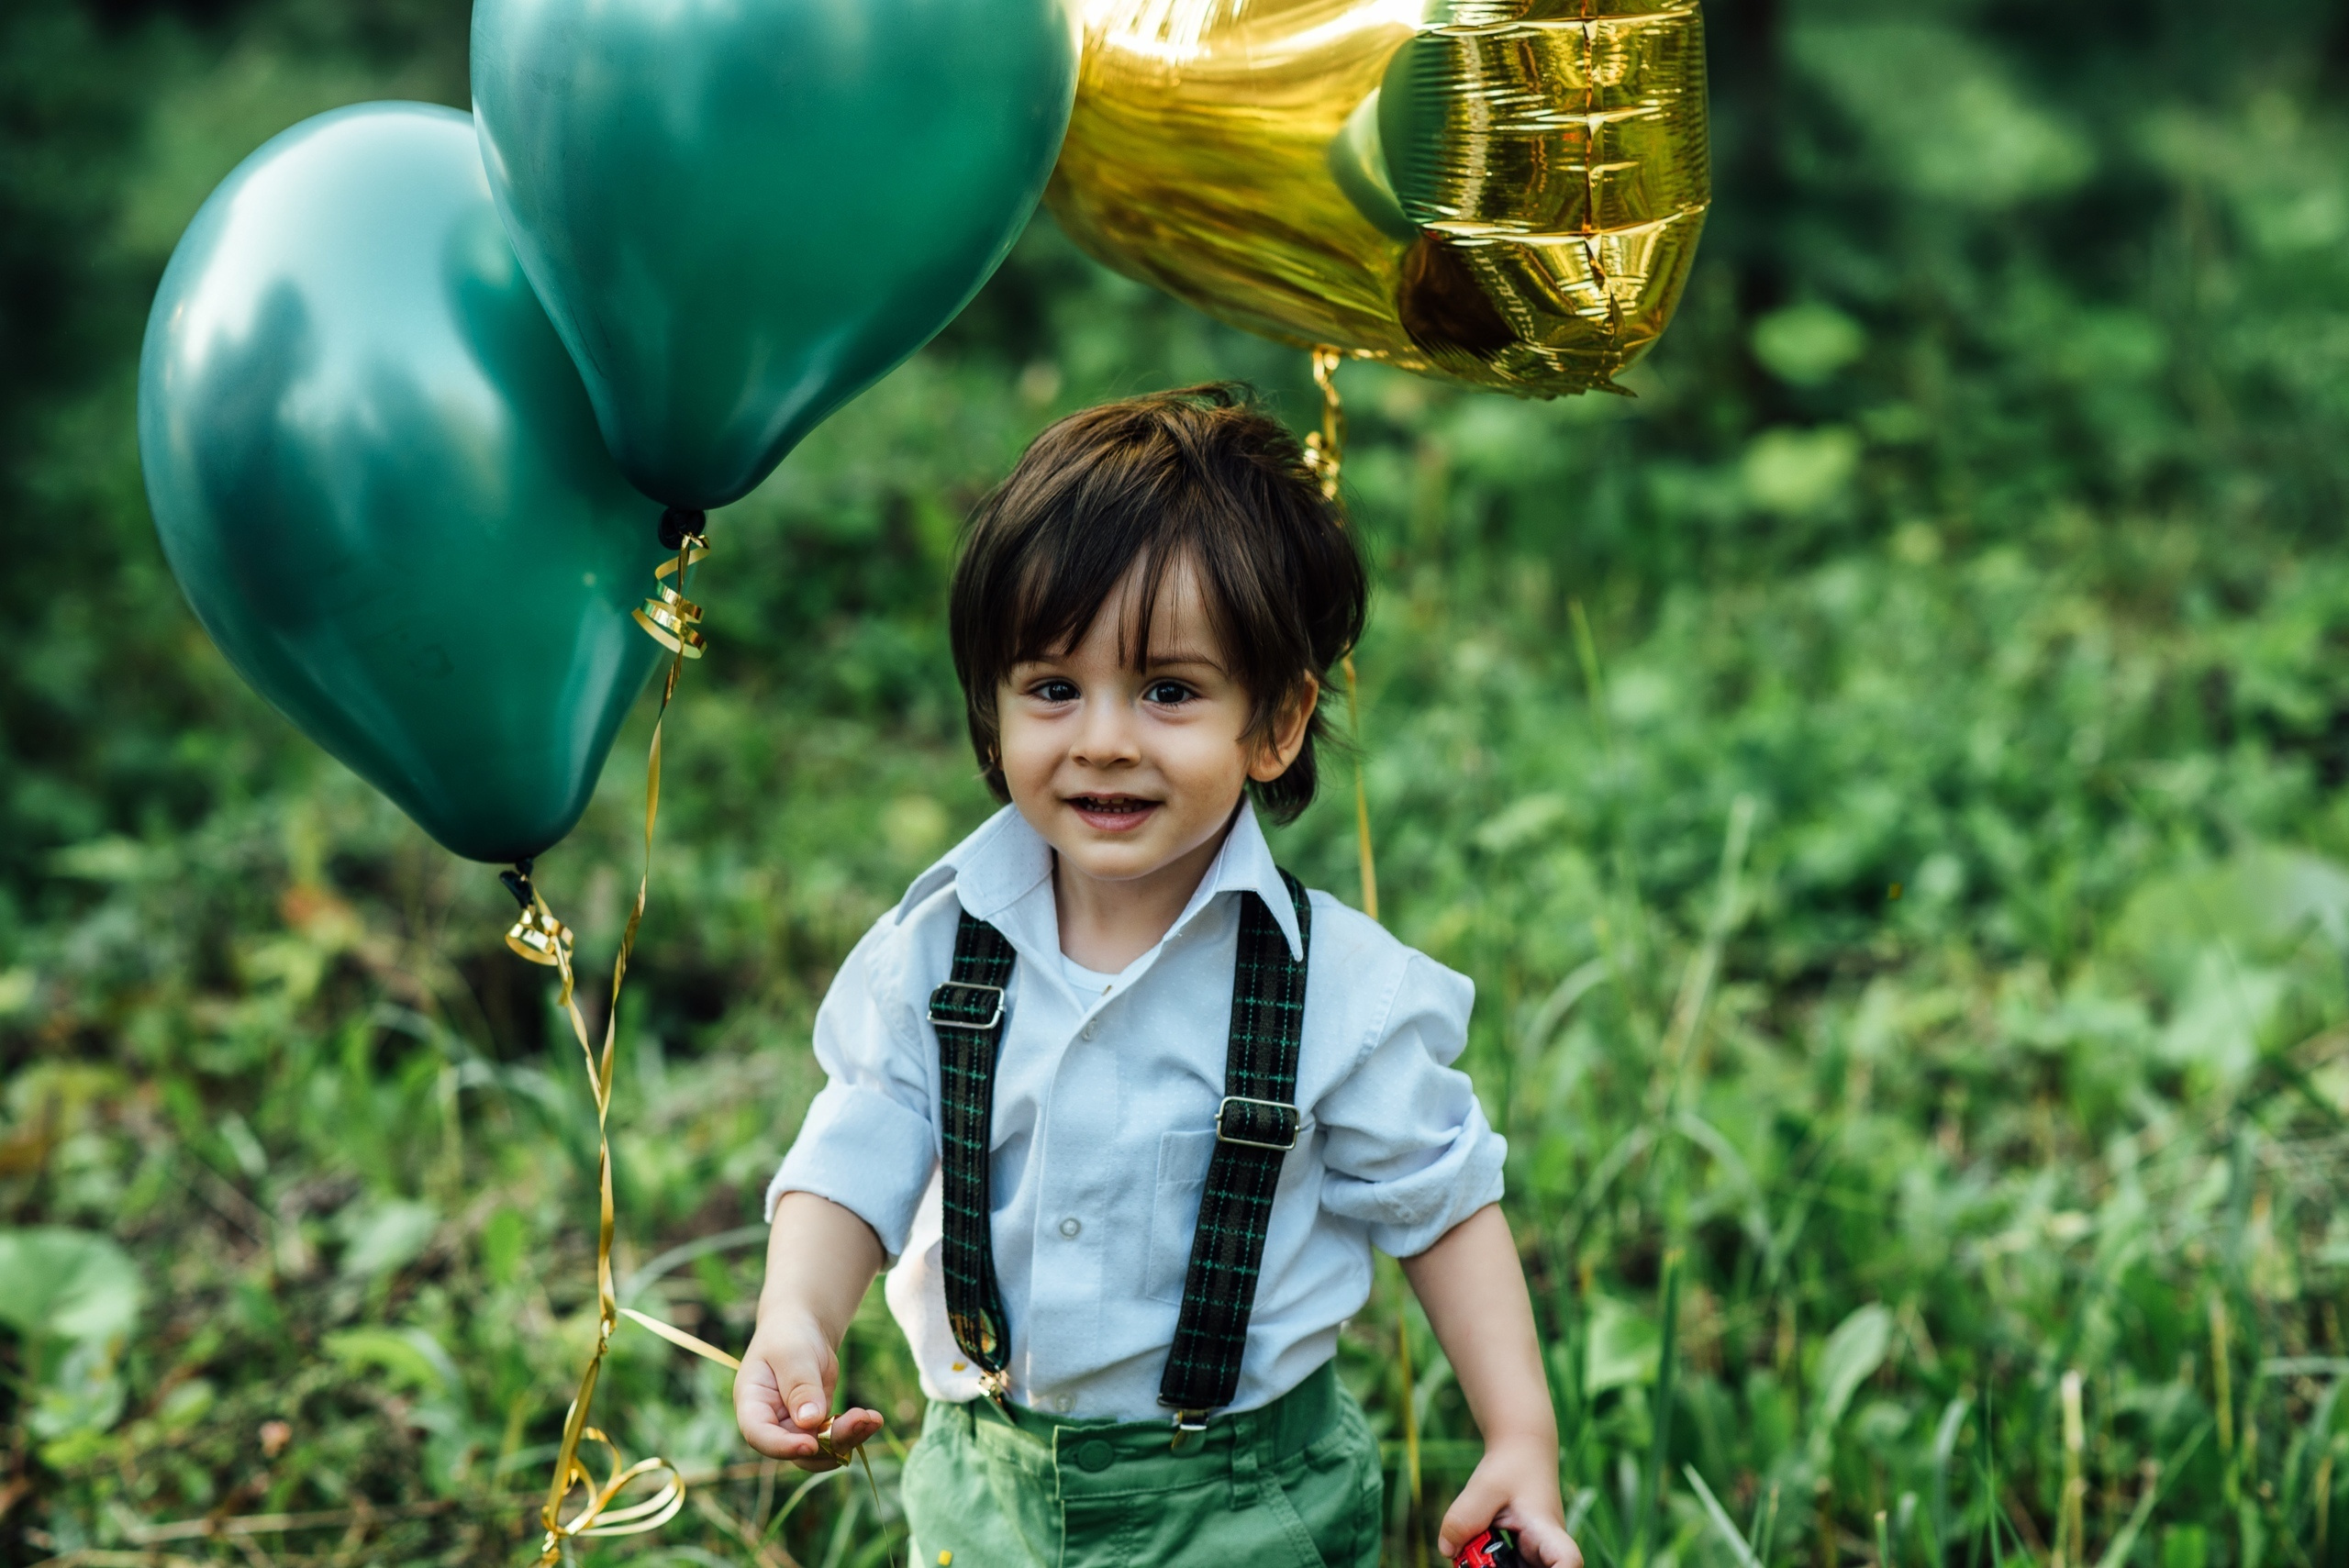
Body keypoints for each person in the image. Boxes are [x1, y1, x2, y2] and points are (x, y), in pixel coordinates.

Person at [732, 385, 1579, 1568]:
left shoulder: (1333, 986)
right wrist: (798, 1314)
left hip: (1245, 1496)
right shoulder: (938, 949)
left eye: (1169, 691)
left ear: (1275, 722)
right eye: (1053, 688)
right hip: (989, 1490)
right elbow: (863, 1138)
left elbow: (1442, 1203)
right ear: (993, 708)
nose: (1105, 740)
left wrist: (1517, 1434)